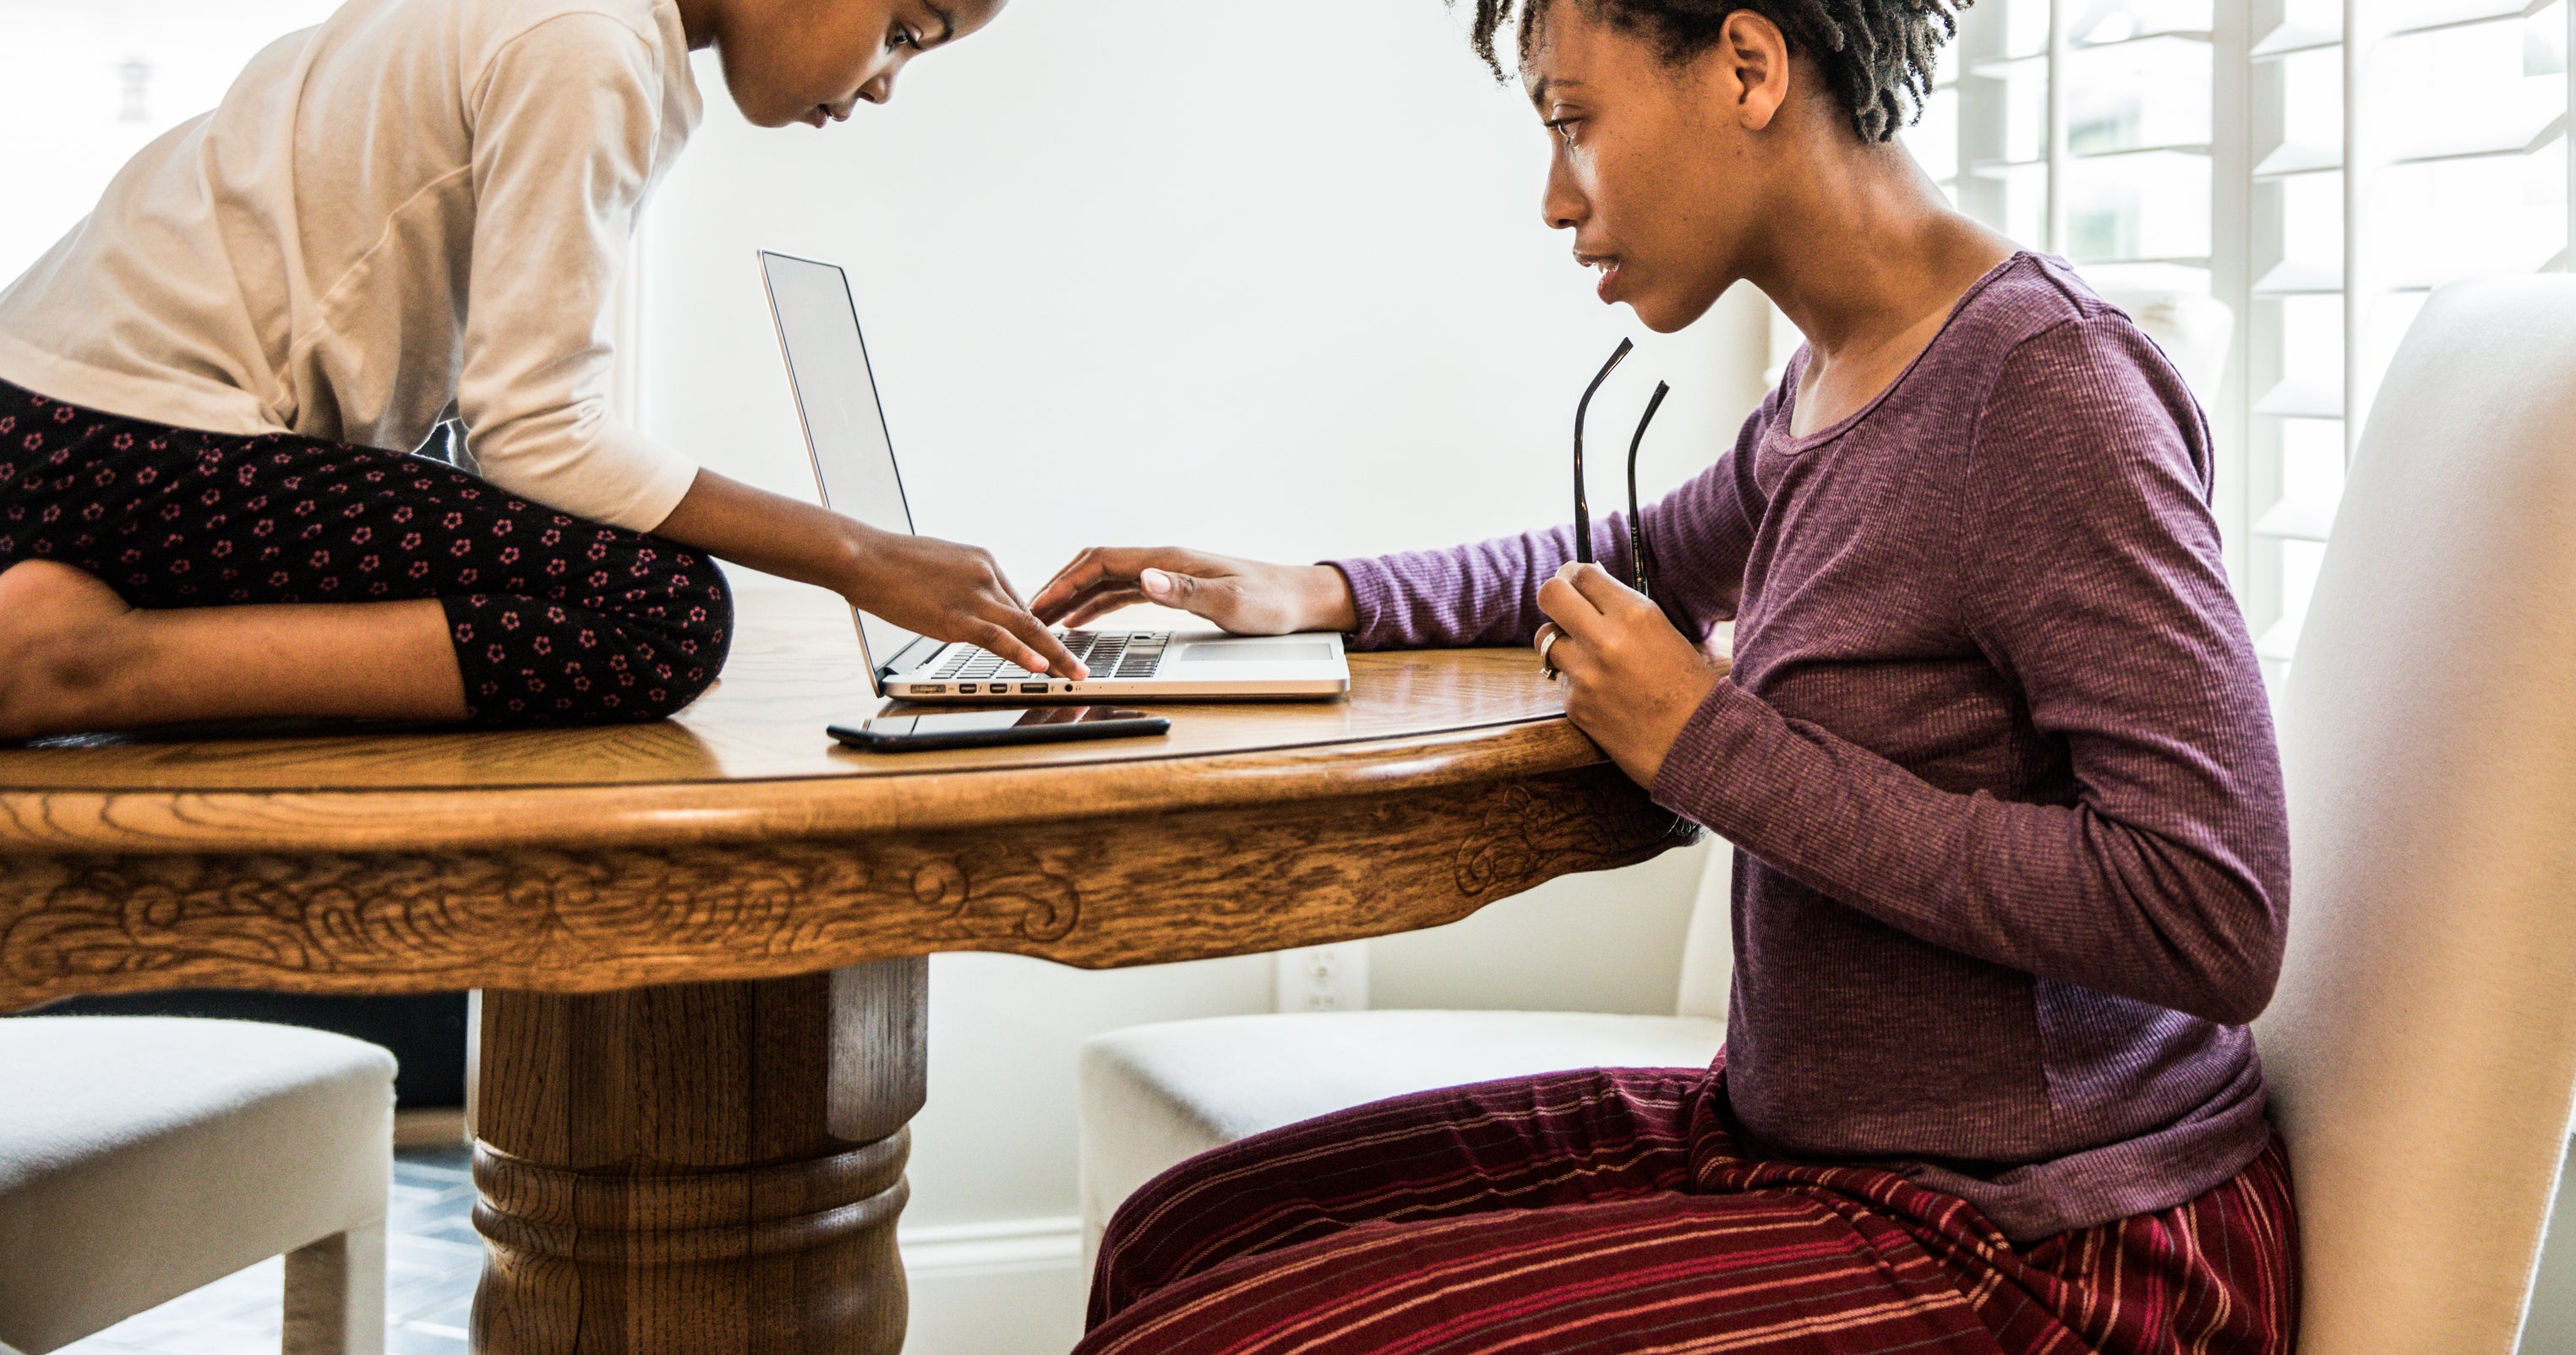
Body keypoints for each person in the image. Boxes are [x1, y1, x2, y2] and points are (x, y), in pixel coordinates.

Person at [1030, 0, 2296, 1351]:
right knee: (1183, 1230)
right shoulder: (1839, 376)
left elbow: (2212, 910)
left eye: (1575, 121)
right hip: (1800, 1141)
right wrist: (1324, 591)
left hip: (2060, 1242)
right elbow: (1635, 552)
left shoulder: (2051, 388)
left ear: (1747, 69)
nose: (1554, 198)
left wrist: (1713, 746)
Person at [0, 0, 1085, 741]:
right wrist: (858, 554)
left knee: (582, 572)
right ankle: (80, 659)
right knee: (661, 614)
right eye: (903, 29)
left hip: (48, 419)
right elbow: (537, 432)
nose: (888, 83)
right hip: (127, 442)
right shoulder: (592, 50)